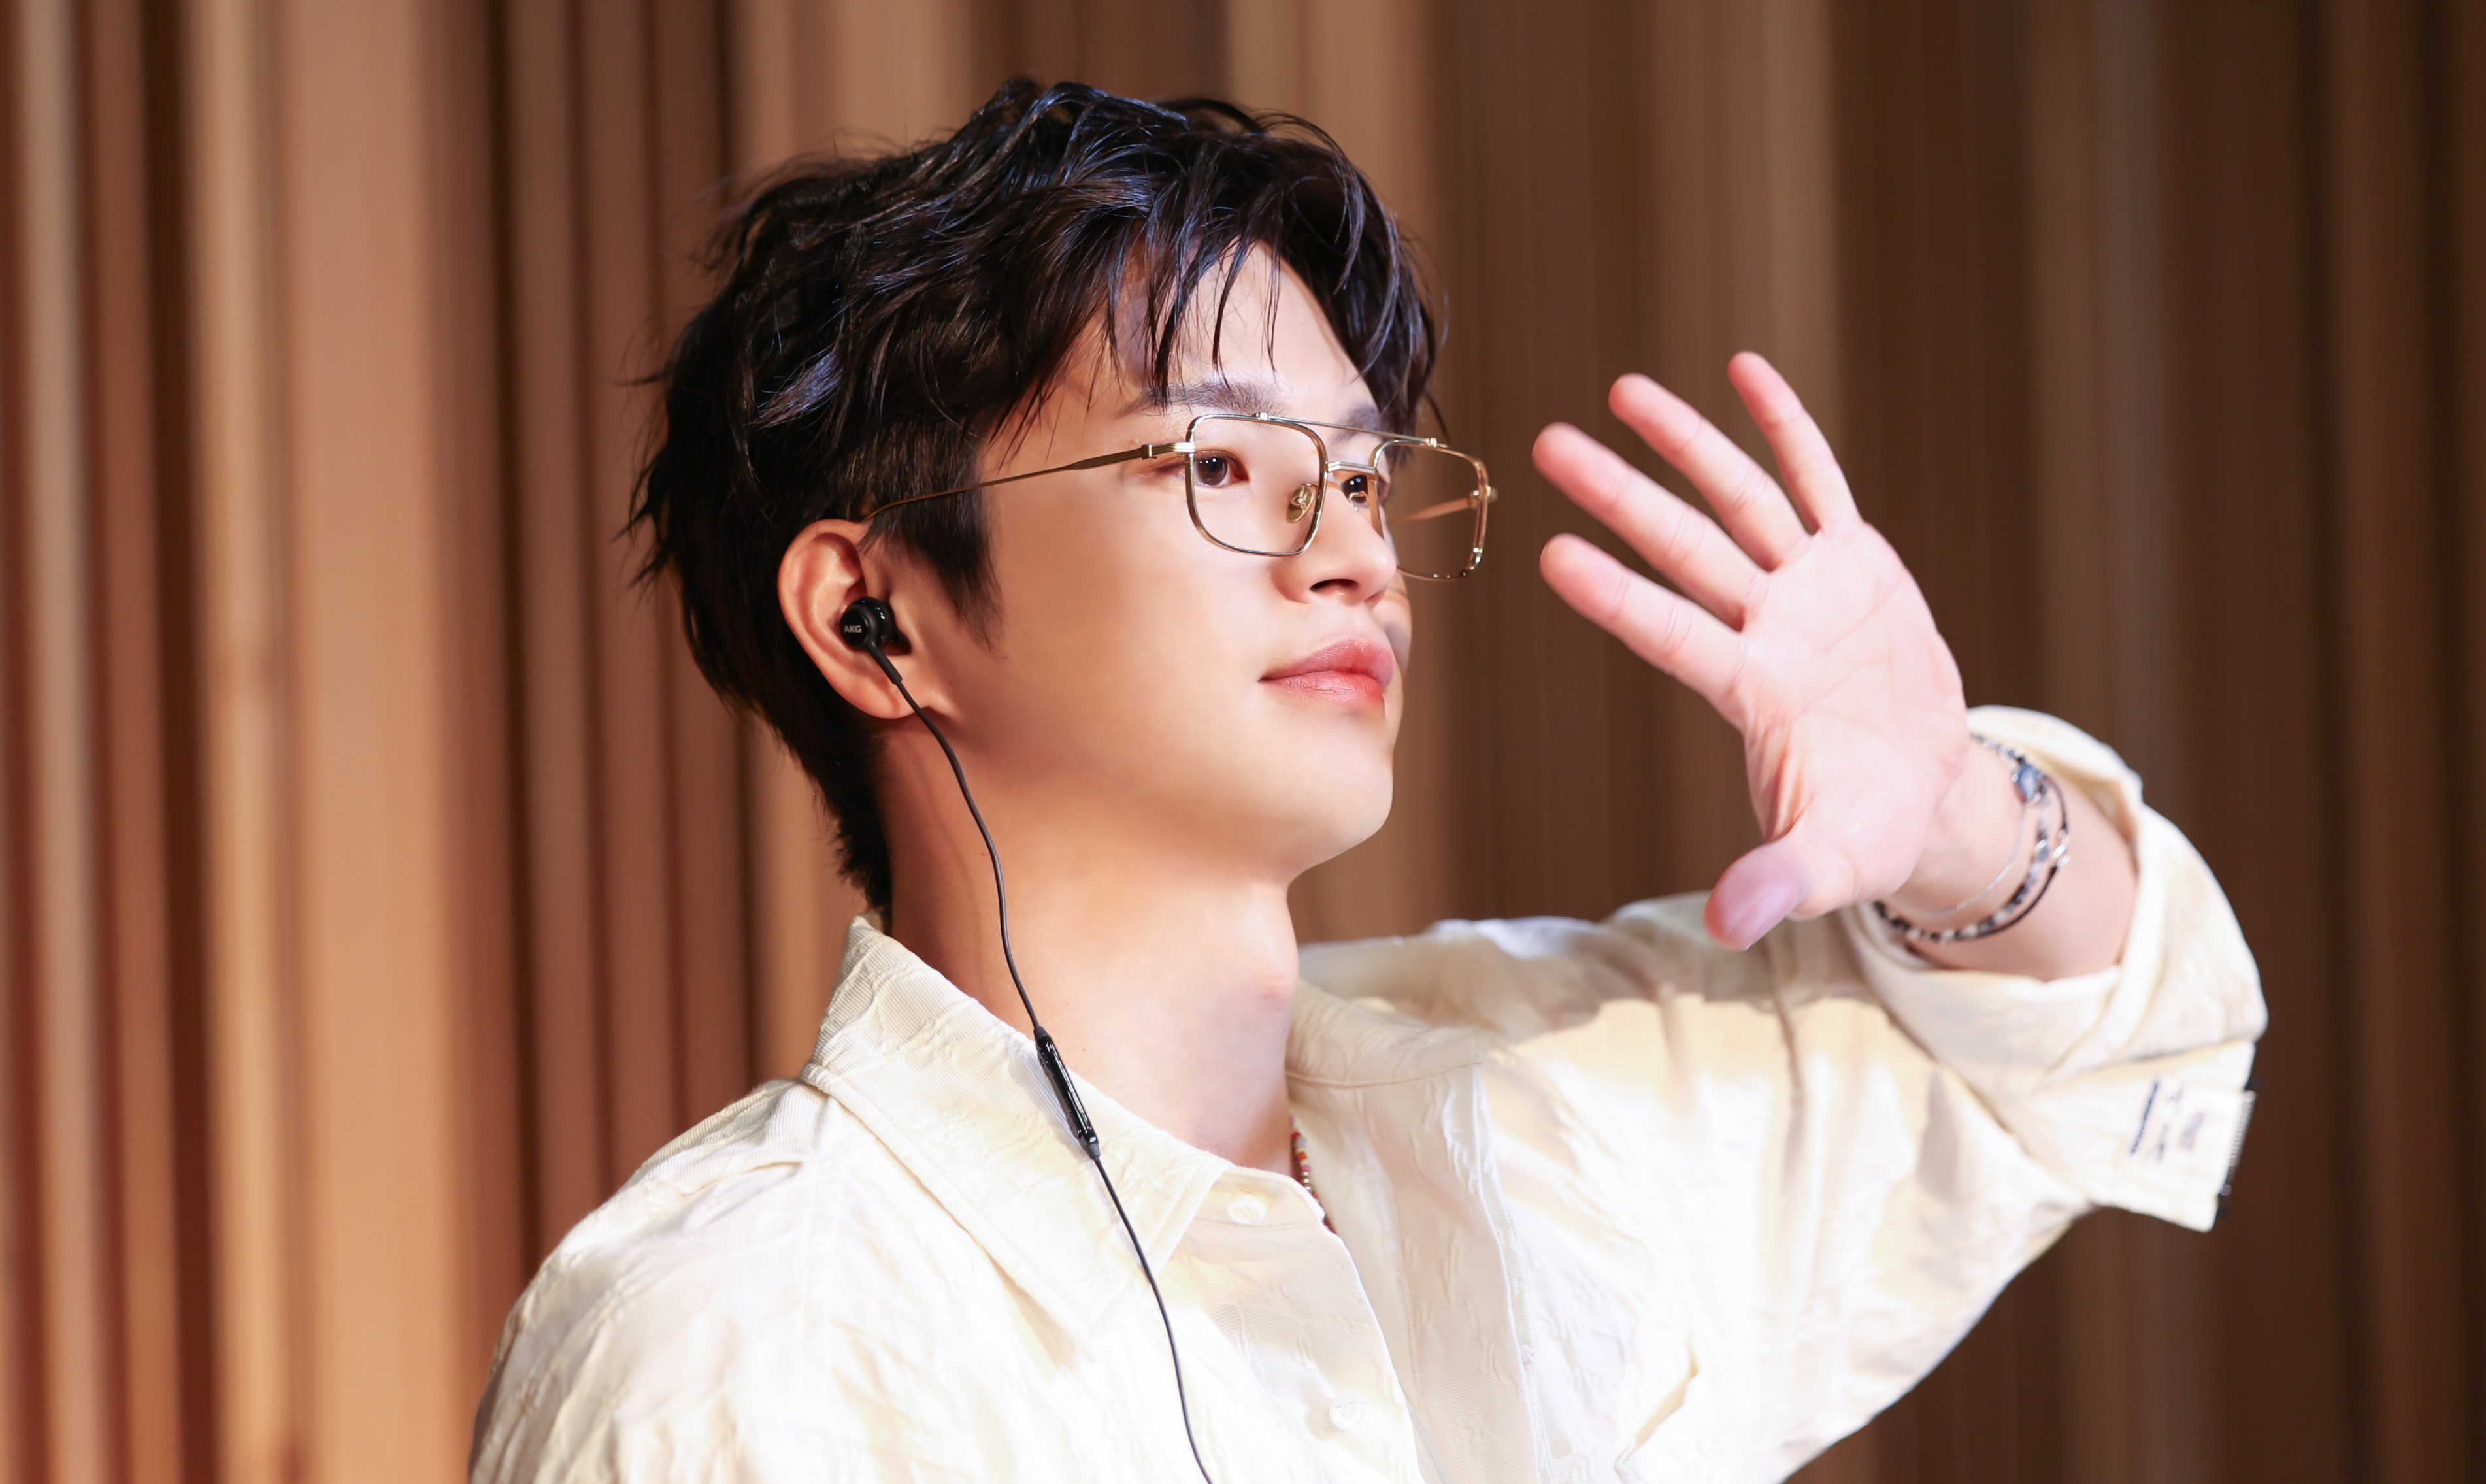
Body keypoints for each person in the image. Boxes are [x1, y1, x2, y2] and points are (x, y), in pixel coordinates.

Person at [469, 80, 2262, 1483]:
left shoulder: (1522, 1114)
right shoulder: (741, 1343)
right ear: (878, 617)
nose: (1350, 555)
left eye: (1363, 477)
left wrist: (1951, 814)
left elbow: (2090, 1042)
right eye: (1218, 465)